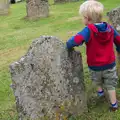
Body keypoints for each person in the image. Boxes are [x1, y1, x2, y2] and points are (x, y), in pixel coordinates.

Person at [66, 0, 120, 111]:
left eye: (83, 17)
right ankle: (114, 105)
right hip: (110, 64)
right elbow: (118, 40)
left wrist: (68, 44)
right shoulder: (109, 28)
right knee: (110, 85)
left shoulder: (89, 30)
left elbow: (77, 40)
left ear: (87, 18)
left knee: (97, 80)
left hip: (95, 65)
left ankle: (100, 93)